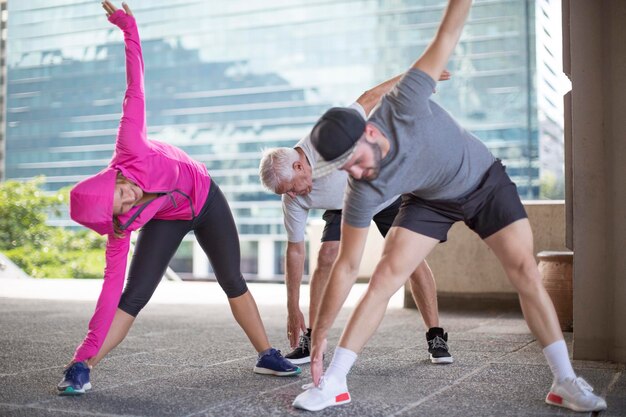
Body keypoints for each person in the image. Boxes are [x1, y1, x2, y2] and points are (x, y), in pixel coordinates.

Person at [293, 0, 608, 413]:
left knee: (525, 271)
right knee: (385, 276)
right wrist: (319, 334)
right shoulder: (361, 188)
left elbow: (446, 34)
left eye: (356, 159)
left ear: (371, 130)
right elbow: (347, 266)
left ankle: (565, 382)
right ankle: (334, 382)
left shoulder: (404, 101)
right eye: (344, 168)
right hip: (431, 201)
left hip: (484, 182)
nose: (356, 172)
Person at [57, 1, 300, 396]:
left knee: (232, 278)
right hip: (168, 219)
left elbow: (134, 85)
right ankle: (82, 368)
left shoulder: (129, 146)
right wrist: (82, 356)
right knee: (133, 295)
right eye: (123, 205)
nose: (130, 196)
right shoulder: (121, 228)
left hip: (207, 197)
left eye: (121, 190)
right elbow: (108, 296)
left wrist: (128, 28)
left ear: (114, 176)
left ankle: (266, 354)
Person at [258, 70, 455, 367]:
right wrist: (291, 306)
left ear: (299, 166)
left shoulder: (325, 136)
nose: (294, 196)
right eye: (287, 194)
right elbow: (295, 250)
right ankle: (312, 338)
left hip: (384, 190)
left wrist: (418, 76)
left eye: (292, 188)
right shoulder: (292, 197)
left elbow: (369, 97)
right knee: (326, 255)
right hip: (346, 204)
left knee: (410, 260)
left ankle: (436, 335)